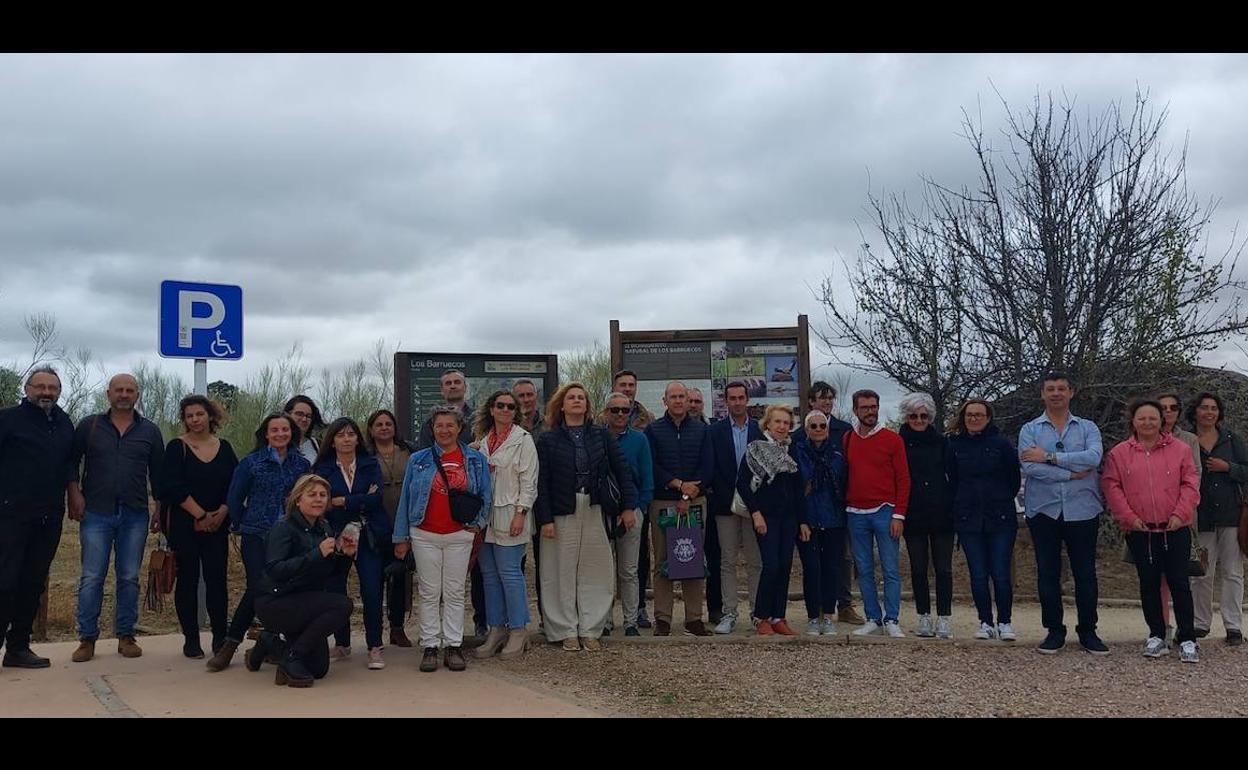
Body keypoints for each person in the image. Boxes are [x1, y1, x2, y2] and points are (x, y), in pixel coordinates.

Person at [68, 373, 165, 663]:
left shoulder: (149, 431)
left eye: (130, 390)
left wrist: (159, 509)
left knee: (128, 577)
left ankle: (125, 635)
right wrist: (74, 494)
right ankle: (87, 638)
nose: (124, 394)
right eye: (119, 390)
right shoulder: (90, 425)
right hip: (96, 511)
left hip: (135, 513)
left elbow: (158, 474)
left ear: (137, 395)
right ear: (108, 393)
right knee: (91, 577)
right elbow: (71, 463)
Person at [536, 383, 637, 651]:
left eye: (581, 397)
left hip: (594, 507)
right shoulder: (548, 439)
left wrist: (628, 507)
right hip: (561, 510)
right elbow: (541, 482)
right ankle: (565, 629)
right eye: (571, 397)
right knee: (559, 570)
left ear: (588, 405)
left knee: (595, 570)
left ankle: (591, 628)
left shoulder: (600, 435)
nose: (577, 401)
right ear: (562, 405)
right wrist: (544, 518)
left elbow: (622, 470)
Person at [207, 413, 311, 671]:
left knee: (284, 588)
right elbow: (234, 496)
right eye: (274, 430)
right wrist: (241, 523)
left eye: (284, 430)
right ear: (266, 434)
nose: (280, 434)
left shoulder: (302, 465)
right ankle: (229, 645)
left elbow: (307, 497)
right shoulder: (252, 463)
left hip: (289, 536)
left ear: (292, 433)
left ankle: (270, 644)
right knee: (258, 586)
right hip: (256, 533)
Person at [393, 405, 492, 672]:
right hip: (424, 533)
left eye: (450, 425)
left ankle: (453, 644)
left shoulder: (474, 459)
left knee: (454, 591)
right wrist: (401, 536)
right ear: (432, 429)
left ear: (459, 428)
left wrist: (478, 524)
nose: (445, 430)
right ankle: (429, 645)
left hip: (459, 533)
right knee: (429, 591)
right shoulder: (419, 459)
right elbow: (406, 499)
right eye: (439, 426)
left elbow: (486, 494)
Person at [1102, 399, 1201, 663]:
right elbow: (1113, 487)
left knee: (1180, 583)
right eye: (1142, 418)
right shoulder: (1119, 453)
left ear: (1162, 421)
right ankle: (1157, 634)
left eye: (1153, 418)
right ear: (1133, 421)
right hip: (1140, 531)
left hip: (1175, 529)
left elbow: (1191, 483)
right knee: (1148, 584)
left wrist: (1181, 514)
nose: (1147, 423)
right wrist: (1128, 517)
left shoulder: (1180, 450)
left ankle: (1188, 638)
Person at [1018, 372, 1108, 655]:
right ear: (1042, 395)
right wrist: (1071, 475)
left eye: (1061, 388)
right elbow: (1029, 468)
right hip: (1043, 510)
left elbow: (1093, 458)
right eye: (1050, 389)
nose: (1056, 393)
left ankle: (1088, 631)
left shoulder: (1088, 428)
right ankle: (1054, 630)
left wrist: (1049, 457)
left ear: (1071, 392)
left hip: (1083, 509)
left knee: (1085, 572)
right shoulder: (1030, 430)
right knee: (1047, 572)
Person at [0, 367, 76, 668]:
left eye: (52, 388)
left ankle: (18, 647)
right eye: (40, 387)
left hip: (49, 515)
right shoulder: (7, 420)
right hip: (10, 514)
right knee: (5, 580)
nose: (46, 392)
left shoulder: (63, 421)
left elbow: (69, 462)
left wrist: (74, 493)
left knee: (33, 582)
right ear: (27, 388)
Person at [251, 474, 355, 687]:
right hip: (276, 602)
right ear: (298, 500)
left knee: (318, 670)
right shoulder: (284, 528)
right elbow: (275, 569)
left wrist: (345, 555)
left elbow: (330, 574)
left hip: (306, 602)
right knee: (343, 605)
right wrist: (316, 554)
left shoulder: (324, 527)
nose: (318, 499)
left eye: (323, 495)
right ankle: (292, 656)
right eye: (312, 495)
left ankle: (270, 643)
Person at [158, 395, 238, 659]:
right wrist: (201, 515)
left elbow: (234, 485)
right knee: (188, 582)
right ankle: (191, 639)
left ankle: (219, 638)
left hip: (218, 525)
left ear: (210, 416)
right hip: (185, 525)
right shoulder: (176, 447)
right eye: (189, 416)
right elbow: (171, 486)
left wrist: (222, 513)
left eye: (199, 414)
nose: (195, 420)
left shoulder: (225, 447)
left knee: (217, 582)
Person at [414, 370, 487, 638]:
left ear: (465, 387)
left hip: (468, 511)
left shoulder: (480, 417)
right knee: (432, 587)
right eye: (447, 383)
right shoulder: (428, 423)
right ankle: (431, 640)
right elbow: (423, 460)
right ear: (441, 389)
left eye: (457, 382)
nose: (453, 386)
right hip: (433, 517)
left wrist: (479, 520)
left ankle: (479, 623)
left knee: (474, 575)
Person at [313, 418, 386, 670]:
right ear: (332, 441)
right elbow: (322, 502)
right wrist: (359, 498)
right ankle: (342, 643)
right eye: (340, 435)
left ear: (358, 438)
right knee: (335, 590)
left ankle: (374, 646)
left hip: (368, 535)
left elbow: (376, 499)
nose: (346, 439)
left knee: (372, 590)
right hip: (335, 535)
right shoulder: (322, 469)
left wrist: (343, 501)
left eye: (351, 434)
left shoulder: (369, 464)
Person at [471, 390, 538, 660]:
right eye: (500, 405)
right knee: (489, 575)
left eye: (511, 406)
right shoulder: (483, 441)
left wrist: (521, 513)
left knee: (510, 573)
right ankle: (496, 629)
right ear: (492, 409)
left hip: (511, 513)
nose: (506, 410)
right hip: (485, 518)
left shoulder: (524, 440)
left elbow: (529, 481)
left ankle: (519, 629)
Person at [947, 399, 1021, 641]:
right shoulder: (954, 445)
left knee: (1000, 572)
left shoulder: (1002, 445)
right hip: (968, 518)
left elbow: (1013, 479)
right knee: (978, 574)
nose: (974, 418)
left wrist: (997, 499)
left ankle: (1005, 621)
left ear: (988, 418)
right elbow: (953, 479)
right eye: (969, 414)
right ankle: (985, 621)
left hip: (1000, 517)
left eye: (979, 414)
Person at [644, 381, 713, 636]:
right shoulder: (653, 430)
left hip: (695, 501)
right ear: (665, 401)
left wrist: (689, 490)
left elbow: (708, 465)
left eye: (682, 396)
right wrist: (678, 485)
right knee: (663, 559)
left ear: (688, 399)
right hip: (664, 501)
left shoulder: (701, 430)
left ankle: (694, 618)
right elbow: (653, 464)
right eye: (673, 397)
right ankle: (662, 618)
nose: (678, 401)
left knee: (692, 558)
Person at [792, 381, 863, 626]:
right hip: (809, 512)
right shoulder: (798, 438)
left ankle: (842, 605)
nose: (827, 402)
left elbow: (849, 471)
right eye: (822, 398)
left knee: (840, 560)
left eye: (831, 398)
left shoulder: (844, 430)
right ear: (811, 402)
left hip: (835, 510)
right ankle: (818, 610)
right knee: (813, 565)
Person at [845, 389, 910, 638]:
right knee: (863, 568)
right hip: (855, 512)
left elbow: (903, 479)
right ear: (855, 410)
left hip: (885, 511)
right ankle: (873, 617)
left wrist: (899, 514)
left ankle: (892, 617)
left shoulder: (893, 440)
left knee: (890, 568)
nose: (870, 411)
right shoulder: (848, 439)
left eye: (874, 406)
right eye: (865, 407)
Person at [737, 404, 805, 636]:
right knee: (771, 565)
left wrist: (802, 521)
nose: (782, 426)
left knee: (785, 566)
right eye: (778, 422)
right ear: (768, 424)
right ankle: (761, 616)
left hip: (788, 518)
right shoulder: (756, 449)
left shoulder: (790, 451)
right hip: (766, 517)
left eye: (786, 423)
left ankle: (779, 616)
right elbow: (743, 484)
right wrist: (756, 513)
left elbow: (797, 490)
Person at [1188, 391, 1246, 646]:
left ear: (1219, 413)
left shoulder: (1232, 439)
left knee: (1233, 571)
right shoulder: (1187, 440)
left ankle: (1233, 625)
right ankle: (1200, 623)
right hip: (1201, 515)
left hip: (1231, 514)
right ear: (1196, 411)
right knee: (1201, 572)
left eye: (1213, 408)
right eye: (1204, 407)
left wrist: (1229, 468)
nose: (1209, 412)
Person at [707, 380, 763, 634]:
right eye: (733, 398)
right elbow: (712, 466)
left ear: (747, 400)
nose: (737, 402)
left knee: (755, 561)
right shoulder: (715, 431)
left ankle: (757, 612)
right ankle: (729, 613)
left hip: (754, 506)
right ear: (726, 401)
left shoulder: (760, 430)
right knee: (727, 561)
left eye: (741, 397)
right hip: (725, 505)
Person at [897, 392, 954, 638]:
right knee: (918, 568)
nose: (918, 420)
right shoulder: (898, 442)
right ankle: (923, 616)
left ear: (929, 417)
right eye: (913, 416)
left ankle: (944, 617)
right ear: (906, 417)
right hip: (913, 513)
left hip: (941, 513)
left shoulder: (943, 442)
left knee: (943, 569)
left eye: (923, 415)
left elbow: (953, 475)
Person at [600, 392, 654, 637]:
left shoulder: (639, 440)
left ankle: (631, 620)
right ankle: (605, 620)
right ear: (605, 413)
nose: (620, 414)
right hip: (603, 512)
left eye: (625, 410)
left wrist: (637, 508)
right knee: (604, 568)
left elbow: (647, 479)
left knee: (629, 570)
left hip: (632, 511)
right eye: (615, 410)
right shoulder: (597, 438)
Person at [1148, 393, 1202, 640]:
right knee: (1155, 577)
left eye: (1173, 408)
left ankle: (1186, 630)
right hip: (1150, 517)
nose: (1167, 412)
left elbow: (1195, 476)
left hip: (1181, 515)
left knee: (1181, 576)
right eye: (1163, 408)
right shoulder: (1143, 437)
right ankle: (1162, 629)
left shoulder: (1189, 440)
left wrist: (1181, 510)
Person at [792, 409, 848, 636]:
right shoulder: (797, 453)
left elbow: (843, 482)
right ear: (806, 430)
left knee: (831, 568)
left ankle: (828, 614)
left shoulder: (837, 454)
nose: (817, 430)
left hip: (833, 518)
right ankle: (813, 616)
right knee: (812, 569)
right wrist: (801, 520)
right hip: (808, 519)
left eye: (821, 426)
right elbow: (796, 488)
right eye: (813, 426)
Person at [365, 409, 414, 647]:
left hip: (404, 520)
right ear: (371, 429)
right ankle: (375, 631)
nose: (384, 427)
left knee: (400, 577)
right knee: (375, 578)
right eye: (379, 424)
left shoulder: (409, 452)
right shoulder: (365, 455)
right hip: (376, 522)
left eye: (388, 423)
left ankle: (397, 627)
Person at [284, 395, 325, 464]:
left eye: (308, 416)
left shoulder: (319, 445)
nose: (304, 419)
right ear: (287, 414)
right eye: (299, 414)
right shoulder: (276, 443)